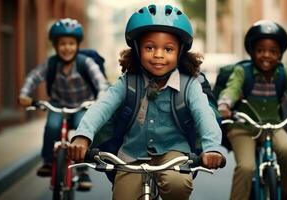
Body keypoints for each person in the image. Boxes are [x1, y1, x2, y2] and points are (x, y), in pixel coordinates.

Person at [67, 4, 225, 200]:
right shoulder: (128, 82)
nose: (158, 54)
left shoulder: (189, 85)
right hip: (131, 154)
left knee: (178, 185)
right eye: (150, 47)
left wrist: (212, 149)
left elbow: (204, 114)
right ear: (137, 49)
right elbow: (101, 107)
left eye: (168, 49)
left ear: (180, 52)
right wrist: (82, 136)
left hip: (174, 152)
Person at [217, 20, 287, 200]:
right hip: (243, 127)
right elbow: (232, 89)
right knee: (246, 167)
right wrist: (225, 105)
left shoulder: (283, 73)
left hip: (273, 126)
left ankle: (283, 191)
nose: (266, 55)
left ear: (280, 54)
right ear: (252, 52)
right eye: (260, 50)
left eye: (273, 51)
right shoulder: (243, 71)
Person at [18, 18, 109, 191]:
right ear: (55, 45)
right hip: (59, 105)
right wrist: (24, 94)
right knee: (52, 126)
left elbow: (101, 83)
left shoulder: (85, 63)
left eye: (71, 43)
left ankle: (82, 171)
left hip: (83, 105)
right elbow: (33, 77)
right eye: (62, 44)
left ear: (77, 45)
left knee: (82, 130)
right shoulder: (51, 64)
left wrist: (100, 100)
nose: (67, 48)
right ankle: (47, 161)